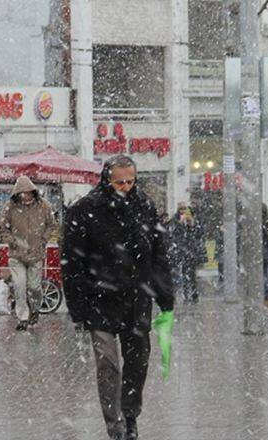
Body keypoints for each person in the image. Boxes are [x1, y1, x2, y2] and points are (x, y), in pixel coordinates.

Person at [62, 154, 174, 440]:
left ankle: (130, 414)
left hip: (137, 298)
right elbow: (72, 262)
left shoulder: (145, 206)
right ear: (106, 179)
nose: (125, 186)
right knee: (108, 363)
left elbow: (159, 254)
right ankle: (115, 424)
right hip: (100, 299)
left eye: (130, 181)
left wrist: (165, 295)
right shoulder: (85, 210)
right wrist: (78, 308)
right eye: (119, 182)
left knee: (138, 362)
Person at [0, 176, 57, 330]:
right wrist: (11, 240)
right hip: (16, 255)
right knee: (19, 286)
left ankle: (35, 310)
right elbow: (2, 226)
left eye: (28, 193)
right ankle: (22, 317)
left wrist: (43, 239)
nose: (25, 196)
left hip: (36, 254)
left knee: (35, 288)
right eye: (22, 193)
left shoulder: (44, 206)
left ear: (33, 192)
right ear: (17, 194)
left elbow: (52, 224)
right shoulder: (10, 206)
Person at [168, 203, 205, 303]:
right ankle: (184, 294)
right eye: (181, 209)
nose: (183, 211)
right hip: (180, 252)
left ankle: (193, 294)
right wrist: (181, 223)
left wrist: (192, 224)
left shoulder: (192, 219)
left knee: (192, 275)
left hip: (191, 252)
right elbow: (174, 234)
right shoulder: (175, 220)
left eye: (185, 209)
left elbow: (199, 234)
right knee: (181, 274)